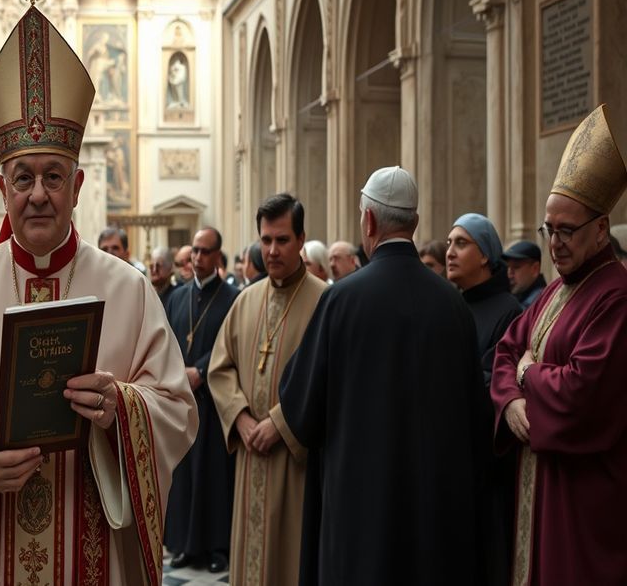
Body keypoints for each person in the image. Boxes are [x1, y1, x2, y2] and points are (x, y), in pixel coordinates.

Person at [0, 0, 197, 584]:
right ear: (3, 187)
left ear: (77, 185)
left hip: (95, 552)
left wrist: (120, 408)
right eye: (23, 178)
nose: (38, 194)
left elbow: (178, 409)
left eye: (53, 177)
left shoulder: (127, 290)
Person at [278, 166, 487, 584]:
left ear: (368, 221)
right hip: (434, 524)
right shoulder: (453, 305)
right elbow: (477, 421)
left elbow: (298, 409)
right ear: (414, 222)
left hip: (360, 522)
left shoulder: (341, 301)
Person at [490, 105, 627, 585]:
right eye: (550, 230)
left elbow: (581, 394)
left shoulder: (615, 295)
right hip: (540, 486)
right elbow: (508, 348)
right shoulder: (557, 286)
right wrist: (509, 402)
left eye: (567, 231)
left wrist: (528, 375)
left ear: (600, 229)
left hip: (583, 500)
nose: (555, 244)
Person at [207, 194, 328, 586]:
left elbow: (330, 380)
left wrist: (279, 424)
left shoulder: (326, 301)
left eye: (282, 240)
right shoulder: (246, 300)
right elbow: (220, 368)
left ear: (301, 240)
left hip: (297, 461)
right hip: (250, 456)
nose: (272, 250)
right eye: (266, 240)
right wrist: (240, 419)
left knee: (291, 559)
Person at [446, 212, 523, 586]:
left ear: (486, 256)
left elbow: (496, 380)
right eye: (448, 243)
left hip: (486, 472)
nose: (450, 252)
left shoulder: (508, 310)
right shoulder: (452, 304)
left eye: (461, 243)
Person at [163, 227, 239, 573]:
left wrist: (202, 371)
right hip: (181, 400)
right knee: (184, 474)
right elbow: (165, 343)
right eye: (194, 250)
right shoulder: (176, 298)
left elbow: (232, 346)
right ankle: (182, 545)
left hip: (213, 401)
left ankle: (215, 547)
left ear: (217, 257)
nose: (197, 258)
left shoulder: (232, 298)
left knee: (212, 474)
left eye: (205, 252)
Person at [502, 241, 545, 307]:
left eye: (516, 267)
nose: (509, 274)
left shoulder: (538, 303)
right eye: (507, 267)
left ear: (535, 269)